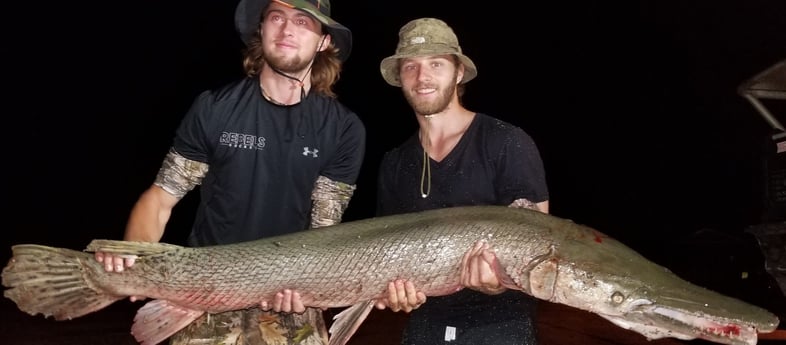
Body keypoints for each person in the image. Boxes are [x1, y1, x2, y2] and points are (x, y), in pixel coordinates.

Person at [94, 0, 366, 344]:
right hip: (205, 288)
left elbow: (324, 230)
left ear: (324, 42)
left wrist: (309, 284)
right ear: (261, 29)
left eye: (303, 21)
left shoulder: (343, 129)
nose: (286, 30)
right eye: (276, 17)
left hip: (291, 296)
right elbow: (162, 198)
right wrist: (132, 251)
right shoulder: (215, 108)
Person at [375, 18, 550, 345]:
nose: (422, 77)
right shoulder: (394, 164)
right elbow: (385, 261)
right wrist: (390, 294)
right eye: (410, 66)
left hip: (500, 328)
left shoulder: (506, 142)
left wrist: (499, 279)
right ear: (399, 78)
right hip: (424, 327)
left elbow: (539, 250)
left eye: (436, 64)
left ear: (458, 73)